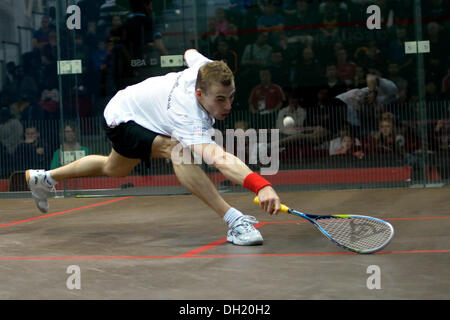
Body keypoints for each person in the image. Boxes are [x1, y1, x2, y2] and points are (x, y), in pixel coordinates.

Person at [26, 49, 281, 246]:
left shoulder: (205, 69)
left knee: (113, 168)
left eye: (232, 96)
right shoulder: (187, 115)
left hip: (133, 110)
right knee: (176, 150)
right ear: (200, 94)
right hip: (123, 119)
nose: (227, 106)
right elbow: (219, 158)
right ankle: (234, 220)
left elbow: (190, 54)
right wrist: (262, 185)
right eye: (220, 99)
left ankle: (44, 178)